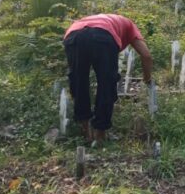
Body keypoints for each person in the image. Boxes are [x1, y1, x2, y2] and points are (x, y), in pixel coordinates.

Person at [63, 14, 153, 145]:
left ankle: (85, 131)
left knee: (79, 82)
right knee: (106, 83)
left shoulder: (101, 20)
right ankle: (100, 134)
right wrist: (147, 80)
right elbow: (146, 55)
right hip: (103, 35)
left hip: (73, 34)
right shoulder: (129, 25)